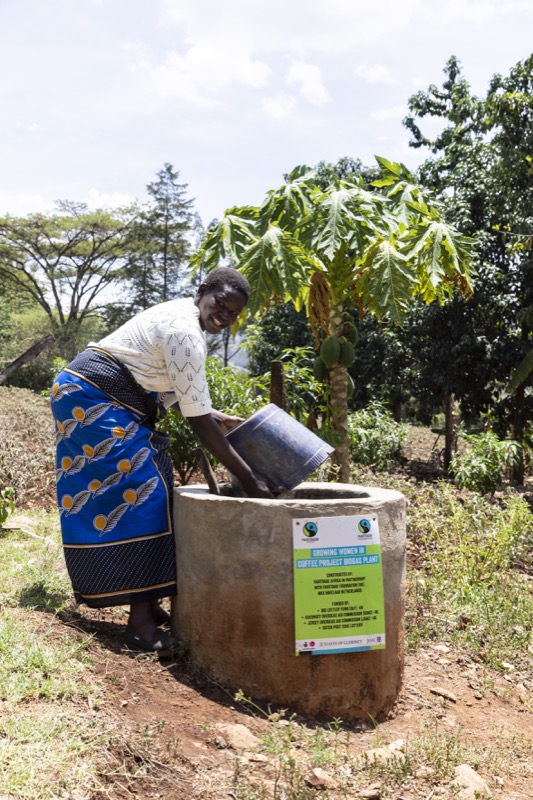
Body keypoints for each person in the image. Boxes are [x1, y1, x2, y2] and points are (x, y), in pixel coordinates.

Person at [50, 267, 272, 656]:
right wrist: (250, 479)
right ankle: (139, 626)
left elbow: (156, 378)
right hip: (94, 398)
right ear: (202, 292)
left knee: (155, 488)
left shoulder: (185, 320)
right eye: (220, 304)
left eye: (233, 313)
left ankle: (146, 599)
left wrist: (213, 413)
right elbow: (198, 424)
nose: (224, 315)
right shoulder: (184, 331)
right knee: (145, 495)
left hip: (100, 394)